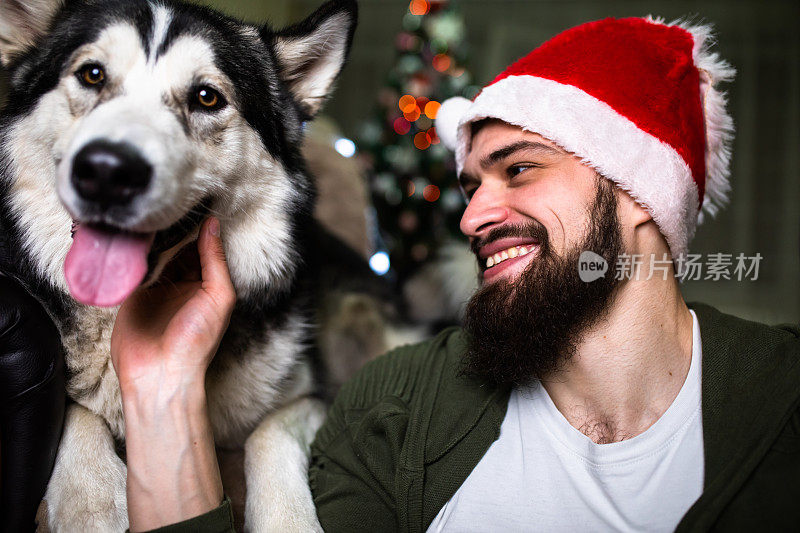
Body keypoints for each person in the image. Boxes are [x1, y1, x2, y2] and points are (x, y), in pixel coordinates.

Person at [110, 16, 800, 532]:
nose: (472, 218)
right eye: (472, 185)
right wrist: (164, 388)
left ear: (642, 195)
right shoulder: (399, 405)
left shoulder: (782, 398)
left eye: (519, 169)